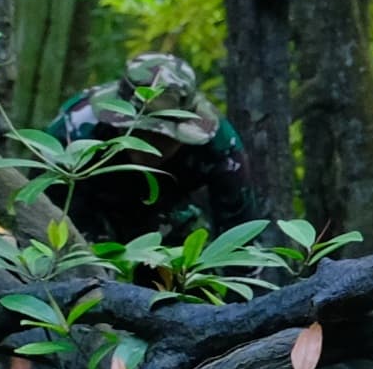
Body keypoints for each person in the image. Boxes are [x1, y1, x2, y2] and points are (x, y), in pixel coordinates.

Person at [49, 52, 255, 246]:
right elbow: (44, 208)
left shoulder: (217, 144)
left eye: (165, 139)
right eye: (142, 133)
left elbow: (238, 231)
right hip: (88, 206)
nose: (151, 147)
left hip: (169, 212)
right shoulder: (74, 129)